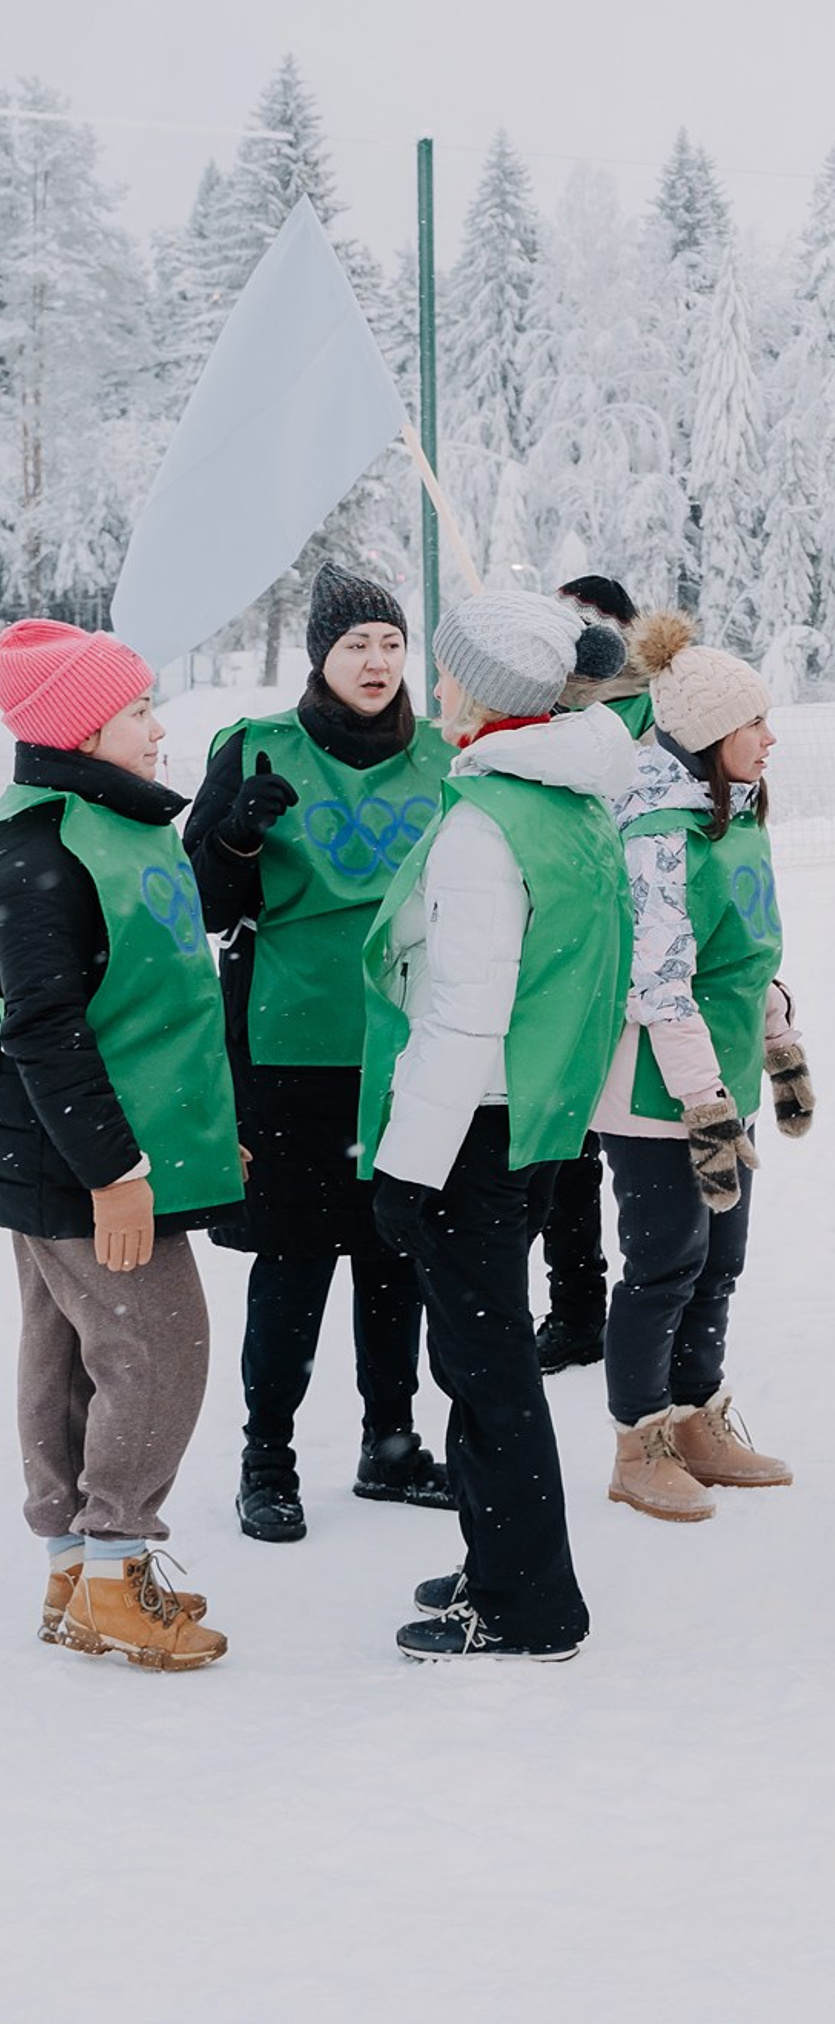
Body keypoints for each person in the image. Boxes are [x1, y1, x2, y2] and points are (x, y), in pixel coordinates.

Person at [360, 592, 636, 1662]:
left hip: (470, 1128)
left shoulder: (485, 825)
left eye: (447, 673)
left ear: (488, 693)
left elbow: (463, 1012)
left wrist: (406, 1166)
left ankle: (526, 1603)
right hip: (532, 1120)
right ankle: (497, 1557)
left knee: (486, 1372)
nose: (433, 690)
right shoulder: (566, 801)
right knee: (486, 1359)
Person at [186, 562, 457, 1542]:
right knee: (295, 1261)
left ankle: (390, 1443)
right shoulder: (258, 752)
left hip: (409, 1043)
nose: (376, 660)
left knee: (397, 1253)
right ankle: (268, 1458)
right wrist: (236, 842)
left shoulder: (444, 756)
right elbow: (202, 907)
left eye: (389, 641)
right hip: (293, 1045)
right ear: (320, 656)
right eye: (355, 643)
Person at [0, 620, 240, 1669]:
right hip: (86, 1159)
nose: (158, 726)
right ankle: (113, 1567)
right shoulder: (41, 850)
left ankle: (72, 1567)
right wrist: (115, 1171)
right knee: (159, 1350)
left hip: (90, 1149)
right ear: (84, 731)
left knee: (70, 1348)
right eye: (139, 709)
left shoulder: (113, 825)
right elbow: (41, 1026)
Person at [590, 613, 807, 1522]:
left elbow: (743, 959)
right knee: (664, 1262)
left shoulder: (735, 820)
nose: (769, 737)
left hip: (721, 1087)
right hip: (659, 1094)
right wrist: (704, 1105)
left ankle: (696, 1413)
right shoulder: (660, 837)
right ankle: (640, 1440)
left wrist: (778, 1047)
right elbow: (660, 987)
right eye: (753, 723)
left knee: (721, 1257)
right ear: (710, 736)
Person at [534, 571, 650, 1371]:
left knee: (644, 1154)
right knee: (566, 1154)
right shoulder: (541, 717)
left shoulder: (664, 720)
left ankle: (652, 1309)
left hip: (647, 964)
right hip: (564, 967)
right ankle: (577, 1307)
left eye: (601, 624)